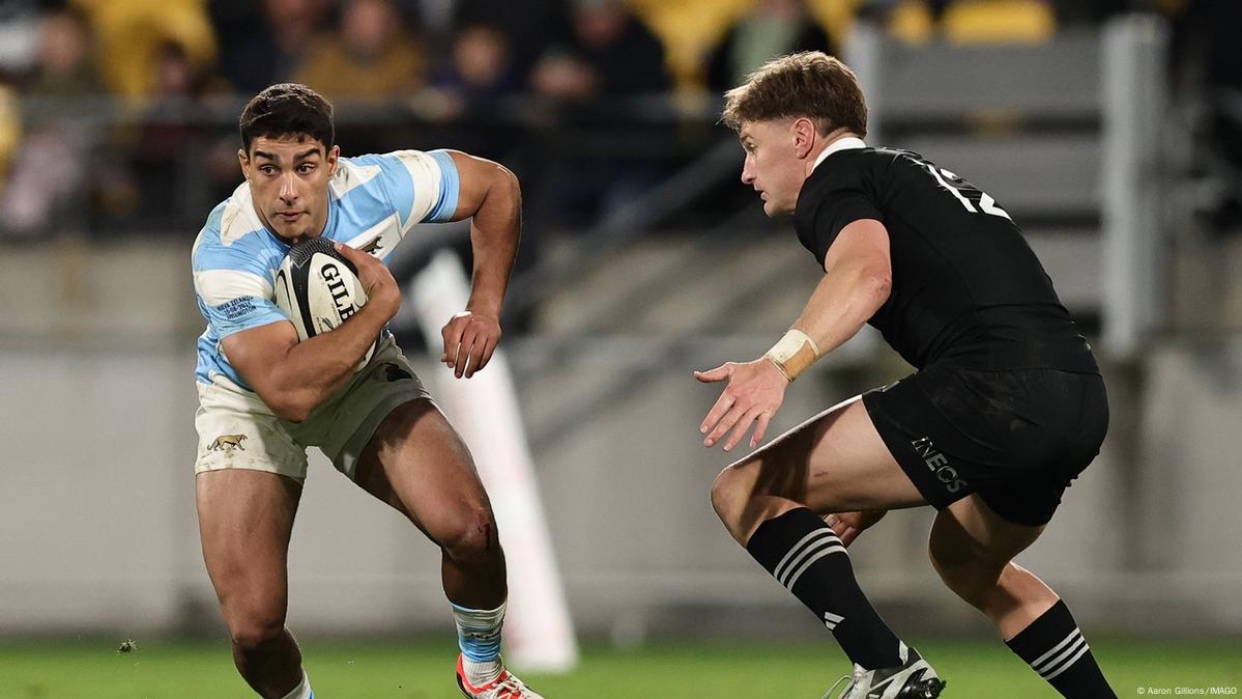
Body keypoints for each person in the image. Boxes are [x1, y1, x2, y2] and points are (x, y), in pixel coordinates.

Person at [697, 52, 1117, 699]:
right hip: (1079, 397)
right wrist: (889, 477)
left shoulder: (835, 181)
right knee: (966, 560)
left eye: (754, 145)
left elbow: (867, 275)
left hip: (991, 387)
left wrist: (777, 364)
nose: (748, 170)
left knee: (744, 491)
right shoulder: (912, 175)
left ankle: (888, 666)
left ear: (802, 135)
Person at [190, 83, 543, 699]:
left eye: (304, 167)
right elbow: (287, 392)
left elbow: (496, 185)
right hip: (249, 401)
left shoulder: (380, 185)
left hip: (358, 381)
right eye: (267, 169)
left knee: (471, 530)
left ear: (333, 161)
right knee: (254, 628)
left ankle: (484, 678)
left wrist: (484, 307)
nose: (287, 190)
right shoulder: (225, 249)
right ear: (244, 165)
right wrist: (380, 305)